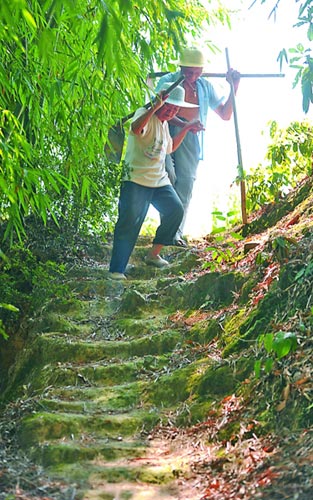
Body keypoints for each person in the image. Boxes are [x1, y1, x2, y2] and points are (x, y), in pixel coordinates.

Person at [108, 82, 205, 280]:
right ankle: (116, 270)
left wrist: (185, 128)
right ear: (161, 103)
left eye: (176, 109)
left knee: (175, 210)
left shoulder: (164, 124)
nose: (171, 112)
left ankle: (153, 255)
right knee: (129, 222)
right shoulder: (145, 115)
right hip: (135, 179)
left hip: (159, 181)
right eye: (169, 107)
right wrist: (154, 107)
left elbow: (169, 148)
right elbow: (135, 129)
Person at [155, 47, 241, 247]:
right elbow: (156, 107)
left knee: (185, 183)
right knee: (167, 177)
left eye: (196, 72)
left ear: (202, 70)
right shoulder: (168, 81)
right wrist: (183, 124)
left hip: (191, 137)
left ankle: (174, 234)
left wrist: (234, 86)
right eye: (188, 71)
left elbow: (225, 114)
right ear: (181, 67)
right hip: (165, 131)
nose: (192, 76)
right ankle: (166, 231)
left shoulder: (204, 87)